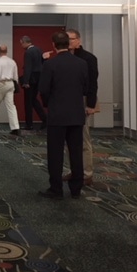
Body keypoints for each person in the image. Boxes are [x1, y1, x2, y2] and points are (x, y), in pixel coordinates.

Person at [38, 31, 88, 200]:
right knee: (76, 152)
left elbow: (43, 90)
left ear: (53, 45)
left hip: (57, 115)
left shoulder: (50, 65)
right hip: (76, 114)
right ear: (69, 43)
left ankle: (56, 188)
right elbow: (86, 87)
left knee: (55, 153)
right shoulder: (81, 64)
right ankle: (76, 189)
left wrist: (49, 104)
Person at [63, 28, 99, 187]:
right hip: (66, 101)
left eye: (71, 39)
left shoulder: (88, 58)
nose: (68, 42)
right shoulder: (63, 57)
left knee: (83, 139)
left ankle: (87, 174)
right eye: (66, 39)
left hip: (83, 101)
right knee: (68, 139)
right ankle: (74, 170)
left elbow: (93, 83)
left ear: (79, 40)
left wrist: (90, 104)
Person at [20, 36, 47, 130]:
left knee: (28, 102)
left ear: (25, 42)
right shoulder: (39, 50)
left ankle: (29, 124)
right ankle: (45, 119)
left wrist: (26, 81)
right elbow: (43, 63)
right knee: (34, 100)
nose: (21, 45)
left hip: (31, 79)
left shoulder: (28, 52)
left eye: (21, 43)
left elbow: (28, 67)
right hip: (38, 78)